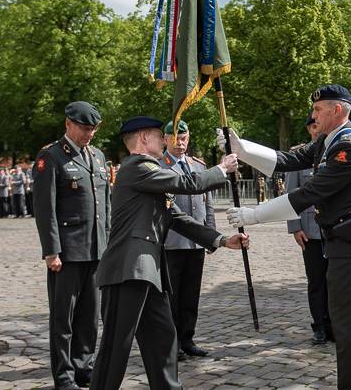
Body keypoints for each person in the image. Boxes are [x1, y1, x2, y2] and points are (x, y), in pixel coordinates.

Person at [221, 84, 351, 390]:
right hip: (348, 240)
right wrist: (242, 149)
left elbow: (309, 193)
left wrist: (254, 215)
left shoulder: (349, 147)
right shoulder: (329, 141)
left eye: (318, 109)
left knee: (346, 324)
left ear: (337, 110)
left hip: (349, 242)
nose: (313, 115)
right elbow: (286, 161)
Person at [90, 116, 247, 390]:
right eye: (158, 135)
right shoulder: (138, 167)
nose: (165, 140)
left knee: (162, 338)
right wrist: (222, 168)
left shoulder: (149, 173)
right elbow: (186, 183)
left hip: (148, 271)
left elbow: (177, 218)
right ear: (143, 138)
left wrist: (221, 240)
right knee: (116, 346)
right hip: (127, 270)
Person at [33, 101, 112, 390]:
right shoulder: (51, 156)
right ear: (68, 124)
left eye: (93, 129)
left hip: (96, 250)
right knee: (63, 319)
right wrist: (51, 251)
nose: (89, 134)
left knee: (89, 318)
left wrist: (108, 244)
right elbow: (45, 209)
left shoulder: (98, 157)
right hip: (67, 253)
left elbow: (105, 206)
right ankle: (64, 375)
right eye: (84, 128)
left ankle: (83, 367)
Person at [160, 120, 215, 361]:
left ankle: (187, 338)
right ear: (165, 139)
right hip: (172, 241)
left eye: (183, 138)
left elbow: (207, 202)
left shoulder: (198, 166)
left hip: (196, 243)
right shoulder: (159, 166)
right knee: (172, 295)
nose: (179, 143)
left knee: (191, 294)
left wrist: (210, 234)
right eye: (174, 138)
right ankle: (172, 343)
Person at [284, 115, 332, 345]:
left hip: (335, 229)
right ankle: (319, 326)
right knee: (316, 281)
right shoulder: (300, 156)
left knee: (335, 280)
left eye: (319, 125)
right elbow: (290, 195)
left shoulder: (335, 151)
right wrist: (295, 228)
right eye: (313, 126)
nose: (316, 130)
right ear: (309, 130)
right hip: (310, 231)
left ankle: (334, 325)